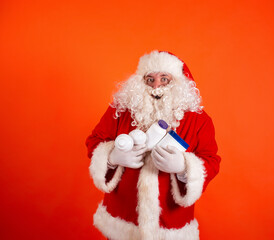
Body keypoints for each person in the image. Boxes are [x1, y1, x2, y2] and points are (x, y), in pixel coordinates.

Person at [85, 50, 221, 240]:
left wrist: (184, 167)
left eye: (164, 79)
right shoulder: (121, 110)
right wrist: (112, 156)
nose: (156, 85)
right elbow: (95, 141)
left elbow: (211, 160)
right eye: (150, 79)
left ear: (179, 82)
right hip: (123, 219)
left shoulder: (199, 120)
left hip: (170, 224)